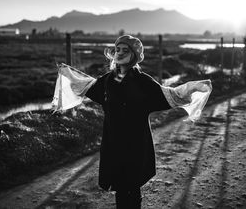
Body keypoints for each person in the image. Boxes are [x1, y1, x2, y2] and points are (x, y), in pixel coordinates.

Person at [53, 35, 212, 209]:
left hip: (136, 144)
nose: (119, 53)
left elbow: (170, 95)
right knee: (120, 188)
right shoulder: (107, 80)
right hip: (113, 143)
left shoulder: (143, 82)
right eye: (117, 50)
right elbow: (88, 87)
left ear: (135, 55)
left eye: (125, 50)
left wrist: (193, 87)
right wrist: (68, 73)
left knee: (131, 187)